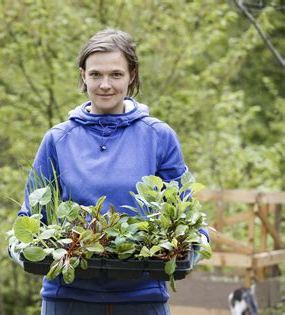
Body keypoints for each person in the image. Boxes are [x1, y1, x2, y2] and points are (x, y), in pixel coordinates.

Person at [11, 28, 209, 315]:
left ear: (132, 76)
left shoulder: (158, 136)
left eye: (116, 74)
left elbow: (185, 211)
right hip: (68, 298)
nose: (105, 85)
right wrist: (20, 247)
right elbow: (31, 216)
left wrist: (195, 244)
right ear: (83, 76)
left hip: (141, 297)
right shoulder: (58, 139)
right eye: (95, 75)